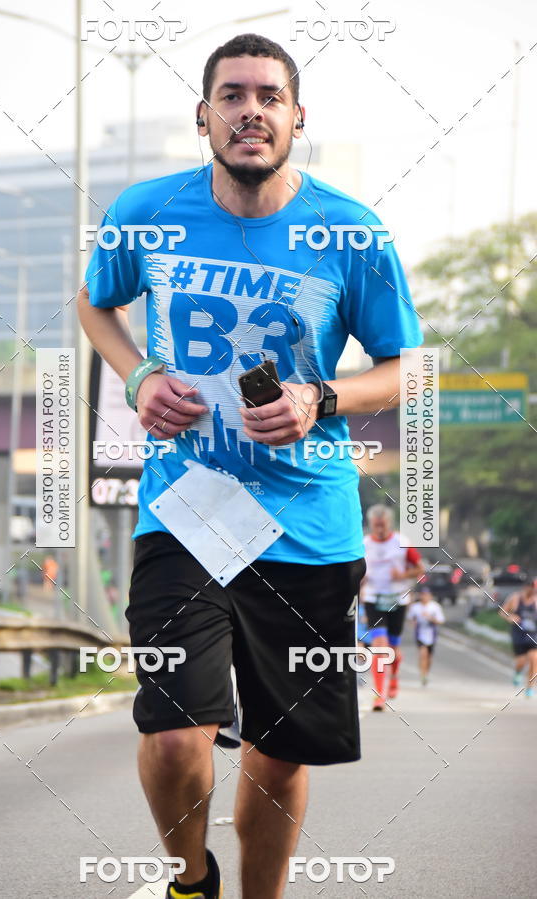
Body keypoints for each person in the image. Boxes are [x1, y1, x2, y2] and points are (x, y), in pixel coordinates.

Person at [78, 33, 422, 899]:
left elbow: (408, 368)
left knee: (278, 752)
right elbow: (94, 299)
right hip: (185, 512)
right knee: (171, 736)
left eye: (269, 97)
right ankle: (191, 880)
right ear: (205, 116)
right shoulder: (146, 210)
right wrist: (140, 371)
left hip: (309, 526)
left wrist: (321, 399)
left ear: (297, 117)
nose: (251, 111)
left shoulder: (351, 230)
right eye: (232, 96)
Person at [361, 504, 425, 710]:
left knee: (393, 649)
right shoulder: (364, 544)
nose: (379, 529)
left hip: (398, 599)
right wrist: (360, 580)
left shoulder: (401, 542)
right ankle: (379, 694)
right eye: (376, 525)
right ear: (371, 525)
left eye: (383, 525)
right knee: (380, 647)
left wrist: (403, 575)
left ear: (389, 523)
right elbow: (356, 569)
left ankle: (394, 676)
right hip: (373, 599)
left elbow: (420, 569)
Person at [499, 582, 537, 697]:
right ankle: (518, 671)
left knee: (533, 660)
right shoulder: (515, 598)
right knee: (521, 661)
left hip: (534, 635)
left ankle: (530, 687)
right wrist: (510, 617)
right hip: (519, 635)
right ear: (527, 587)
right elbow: (502, 611)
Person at [407, 584, 445, 685]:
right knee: (422, 654)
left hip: (431, 634)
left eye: (426, 595)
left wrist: (431, 618)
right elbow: (411, 618)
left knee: (429, 657)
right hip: (420, 633)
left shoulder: (435, 607)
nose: (424, 597)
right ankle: (422, 675)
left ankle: (426, 673)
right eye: (423, 595)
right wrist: (413, 623)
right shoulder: (416, 607)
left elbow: (441, 621)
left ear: (430, 596)